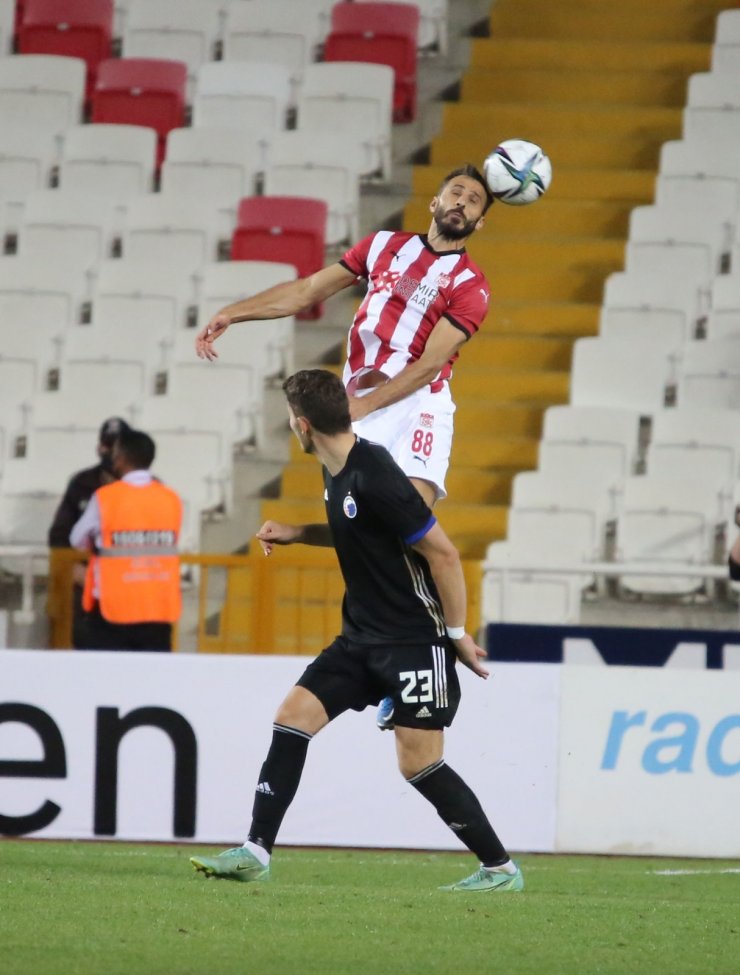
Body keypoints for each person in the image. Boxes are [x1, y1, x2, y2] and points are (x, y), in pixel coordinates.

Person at [190, 369, 523, 893]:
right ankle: (255, 851)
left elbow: (443, 553)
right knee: (291, 718)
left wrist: (456, 633)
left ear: (303, 425)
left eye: (288, 420)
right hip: (360, 637)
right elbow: (356, 529)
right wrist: (298, 533)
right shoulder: (337, 468)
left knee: (419, 765)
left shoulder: (375, 472)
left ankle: (500, 869)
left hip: (413, 639)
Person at [195, 164, 494, 728]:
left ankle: (425, 656)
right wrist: (234, 312)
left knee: (413, 520)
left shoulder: (470, 285)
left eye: (474, 201)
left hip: (417, 404)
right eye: (456, 192)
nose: (462, 202)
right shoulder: (382, 247)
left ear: (477, 222)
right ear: (434, 201)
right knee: (366, 533)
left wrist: (358, 411)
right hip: (362, 398)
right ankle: (397, 658)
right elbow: (308, 290)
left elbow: (430, 362)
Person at [70, 428, 183, 652]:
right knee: (152, 681)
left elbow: (77, 539)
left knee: (108, 680)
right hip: (157, 609)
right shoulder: (170, 498)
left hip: (113, 610)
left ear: (120, 459)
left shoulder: (106, 497)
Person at [48, 417, 131, 648]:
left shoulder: (145, 487)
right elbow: (59, 534)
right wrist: (75, 569)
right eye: (107, 444)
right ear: (99, 447)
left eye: (118, 445)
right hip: (88, 585)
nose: (111, 451)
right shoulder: (82, 482)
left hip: (130, 584)